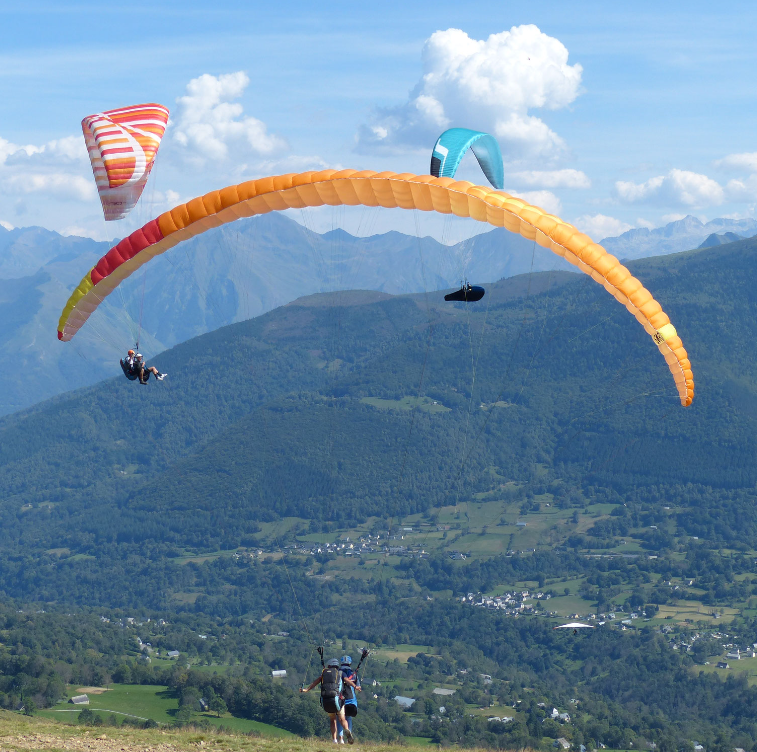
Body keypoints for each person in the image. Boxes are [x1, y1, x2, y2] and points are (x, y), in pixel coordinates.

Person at [301, 658, 356, 744]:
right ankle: (346, 730)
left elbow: (316, 682)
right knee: (342, 719)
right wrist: (355, 686)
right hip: (338, 700)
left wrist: (307, 689)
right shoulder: (341, 673)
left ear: (329, 665)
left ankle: (334, 740)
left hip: (327, 700)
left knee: (332, 719)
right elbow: (347, 681)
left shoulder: (324, 673)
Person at [338, 656, 361, 744]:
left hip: (340, 698)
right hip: (351, 699)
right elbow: (359, 686)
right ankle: (349, 735)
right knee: (349, 718)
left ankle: (340, 739)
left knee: (339, 718)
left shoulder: (339, 673)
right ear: (350, 663)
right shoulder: (353, 673)